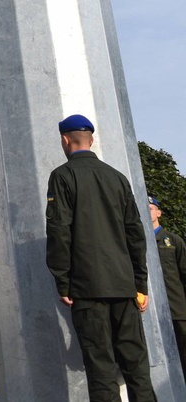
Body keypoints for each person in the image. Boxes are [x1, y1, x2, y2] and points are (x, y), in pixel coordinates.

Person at [46, 114, 155, 401]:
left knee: (102, 372)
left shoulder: (63, 176)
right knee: (137, 369)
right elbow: (136, 235)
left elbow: (59, 232)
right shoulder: (117, 178)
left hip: (88, 288)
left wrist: (63, 282)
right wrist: (139, 285)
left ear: (65, 140)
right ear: (91, 140)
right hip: (124, 286)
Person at [149, 195, 186, 383]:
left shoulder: (173, 240)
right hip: (149, 313)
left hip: (176, 310)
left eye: (151, 208)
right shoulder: (135, 240)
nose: (148, 212)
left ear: (159, 212)